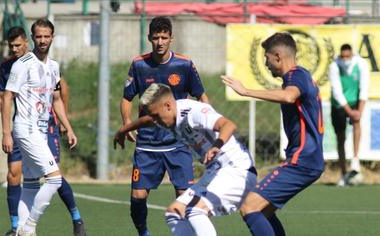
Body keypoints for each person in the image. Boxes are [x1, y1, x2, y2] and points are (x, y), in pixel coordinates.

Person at [115, 83, 257, 236]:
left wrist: (216, 145)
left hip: (236, 169)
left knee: (195, 210)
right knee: (174, 213)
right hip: (215, 172)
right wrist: (123, 130)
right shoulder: (166, 115)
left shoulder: (193, 112)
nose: (155, 122)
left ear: (168, 105)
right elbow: (146, 120)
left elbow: (228, 125)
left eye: (156, 116)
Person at [221, 32, 324, 236]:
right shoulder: (298, 77)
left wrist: (246, 91)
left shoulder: (297, 75)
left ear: (277, 56)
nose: (266, 64)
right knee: (264, 211)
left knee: (249, 206)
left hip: (302, 159)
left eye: (267, 58)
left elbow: (288, 97)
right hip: (306, 159)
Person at [0, 26, 86, 236]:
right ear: (32, 38)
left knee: (32, 184)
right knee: (54, 179)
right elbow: (7, 96)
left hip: (42, 131)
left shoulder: (53, 66)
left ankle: (23, 232)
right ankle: (30, 226)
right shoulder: (22, 64)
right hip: (26, 129)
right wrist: (6, 133)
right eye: (39, 36)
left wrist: (68, 127)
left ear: (52, 37)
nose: (42, 40)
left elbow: (57, 100)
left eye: (46, 36)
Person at [120, 16, 209, 236]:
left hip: (179, 142)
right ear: (149, 37)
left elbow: (202, 98)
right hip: (147, 145)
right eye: (156, 37)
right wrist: (127, 124)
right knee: (137, 199)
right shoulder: (139, 64)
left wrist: (205, 126)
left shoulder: (184, 65)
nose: (160, 42)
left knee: (184, 196)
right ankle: (143, 233)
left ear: (171, 38)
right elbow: (126, 98)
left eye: (164, 37)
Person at [328, 44, 369, 186]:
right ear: (340, 56)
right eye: (343, 57)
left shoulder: (361, 64)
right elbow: (337, 91)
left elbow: (364, 88)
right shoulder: (334, 66)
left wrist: (359, 112)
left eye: (348, 57)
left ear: (352, 54)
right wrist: (350, 111)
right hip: (339, 104)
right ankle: (343, 173)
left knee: (357, 124)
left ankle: (355, 160)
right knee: (341, 137)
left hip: (355, 101)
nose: (345, 60)